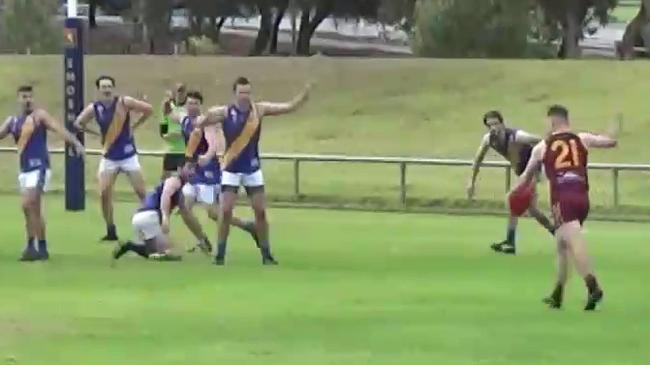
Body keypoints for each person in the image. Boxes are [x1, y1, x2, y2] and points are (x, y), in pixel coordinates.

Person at [509, 105, 619, 310]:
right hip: (582, 197)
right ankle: (557, 294)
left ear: (552, 121)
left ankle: (593, 286)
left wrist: (512, 194)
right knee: (561, 243)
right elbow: (610, 142)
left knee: (573, 240)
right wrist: (614, 125)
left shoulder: (542, 146)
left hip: (562, 198)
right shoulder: (582, 138)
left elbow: (525, 178)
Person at [202, 77, 312, 265]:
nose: (244, 96)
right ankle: (220, 254)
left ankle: (266, 254)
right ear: (235, 93)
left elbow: (287, 107)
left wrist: (304, 95)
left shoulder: (258, 110)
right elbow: (202, 121)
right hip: (231, 168)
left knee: (260, 211)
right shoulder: (226, 112)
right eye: (241, 92)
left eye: (247, 92)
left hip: (252, 168)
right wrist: (204, 117)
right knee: (226, 210)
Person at [165, 90, 258, 253]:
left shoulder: (205, 122)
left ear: (201, 106)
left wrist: (207, 156)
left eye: (195, 103)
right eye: (189, 103)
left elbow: (212, 141)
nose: (192, 106)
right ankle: (203, 240)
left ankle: (247, 225)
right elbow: (170, 113)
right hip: (194, 172)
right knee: (184, 206)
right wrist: (167, 102)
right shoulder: (184, 119)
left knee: (213, 213)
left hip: (209, 171)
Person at [0, 85, 85, 261]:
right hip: (24, 170)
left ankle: (36, 246)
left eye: (30, 96)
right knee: (32, 210)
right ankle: (36, 247)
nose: (27, 100)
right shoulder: (12, 121)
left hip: (39, 167)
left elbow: (58, 128)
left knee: (28, 204)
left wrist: (75, 143)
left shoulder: (39, 117)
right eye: (24, 97)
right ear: (18, 99)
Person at [74, 75, 153, 241]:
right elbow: (78, 123)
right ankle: (111, 229)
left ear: (113, 88)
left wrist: (135, 126)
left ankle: (151, 227)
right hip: (109, 155)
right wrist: (97, 134)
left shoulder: (124, 102)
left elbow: (148, 109)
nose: (107, 89)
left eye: (109, 86)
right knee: (104, 193)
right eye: (103, 87)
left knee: (141, 192)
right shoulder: (94, 108)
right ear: (99, 90)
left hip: (128, 155)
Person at [467, 110, 556, 255]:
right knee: (533, 210)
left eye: (496, 124)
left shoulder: (517, 136)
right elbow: (478, 160)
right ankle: (558, 235)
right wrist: (471, 182)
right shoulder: (488, 139)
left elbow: (542, 141)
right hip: (522, 172)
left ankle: (510, 241)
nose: (493, 128)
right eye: (490, 125)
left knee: (512, 197)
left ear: (502, 123)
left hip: (533, 170)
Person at [111, 164, 194, 263]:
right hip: (150, 217)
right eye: (189, 168)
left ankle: (129, 246)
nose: (192, 172)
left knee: (150, 251)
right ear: (180, 169)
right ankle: (155, 250)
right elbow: (165, 196)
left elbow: (184, 209)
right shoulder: (174, 182)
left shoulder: (176, 186)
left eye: (193, 169)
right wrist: (165, 217)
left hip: (139, 217)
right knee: (166, 251)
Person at [160, 83, 188, 180]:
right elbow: (163, 131)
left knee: (182, 180)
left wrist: (182, 134)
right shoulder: (166, 109)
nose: (180, 95)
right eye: (178, 92)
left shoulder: (188, 108)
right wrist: (168, 136)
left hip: (184, 151)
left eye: (182, 92)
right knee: (164, 180)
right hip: (170, 150)